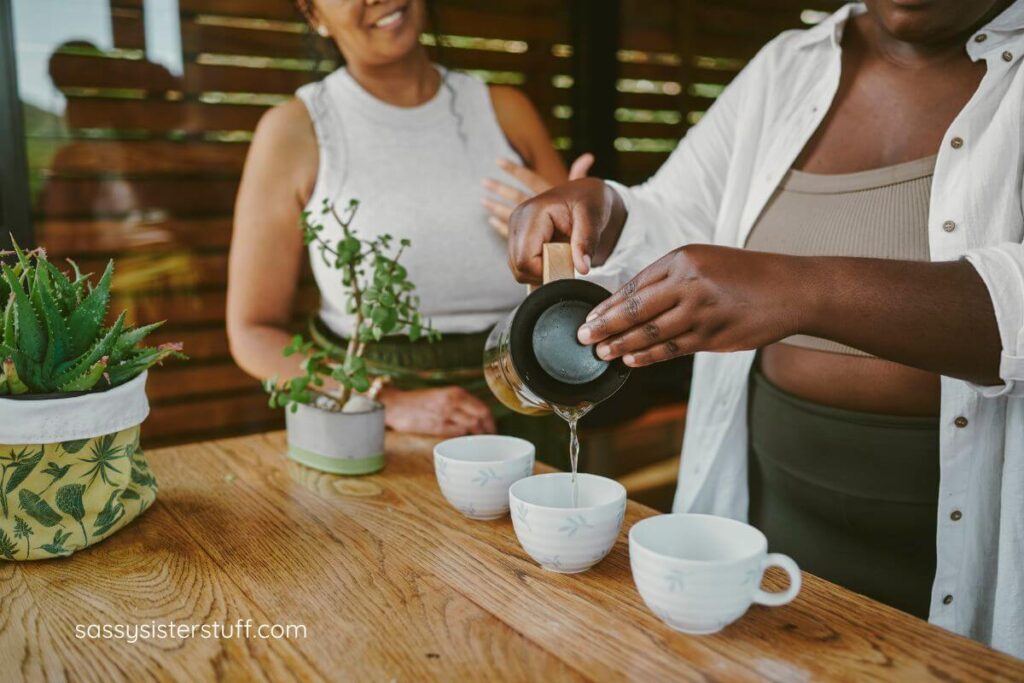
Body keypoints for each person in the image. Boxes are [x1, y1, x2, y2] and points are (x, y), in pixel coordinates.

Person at [507, 0, 1024, 656]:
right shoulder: (788, 67)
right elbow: (673, 211)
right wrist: (606, 207)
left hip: (967, 561)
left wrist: (805, 289)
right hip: (775, 536)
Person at [227, 0, 589, 440]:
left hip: (531, 407)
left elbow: (574, 283)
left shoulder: (506, 111)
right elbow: (251, 331)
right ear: (314, 16)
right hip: (373, 430)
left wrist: (569, 236)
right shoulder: (295, 130)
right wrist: (385, 401)